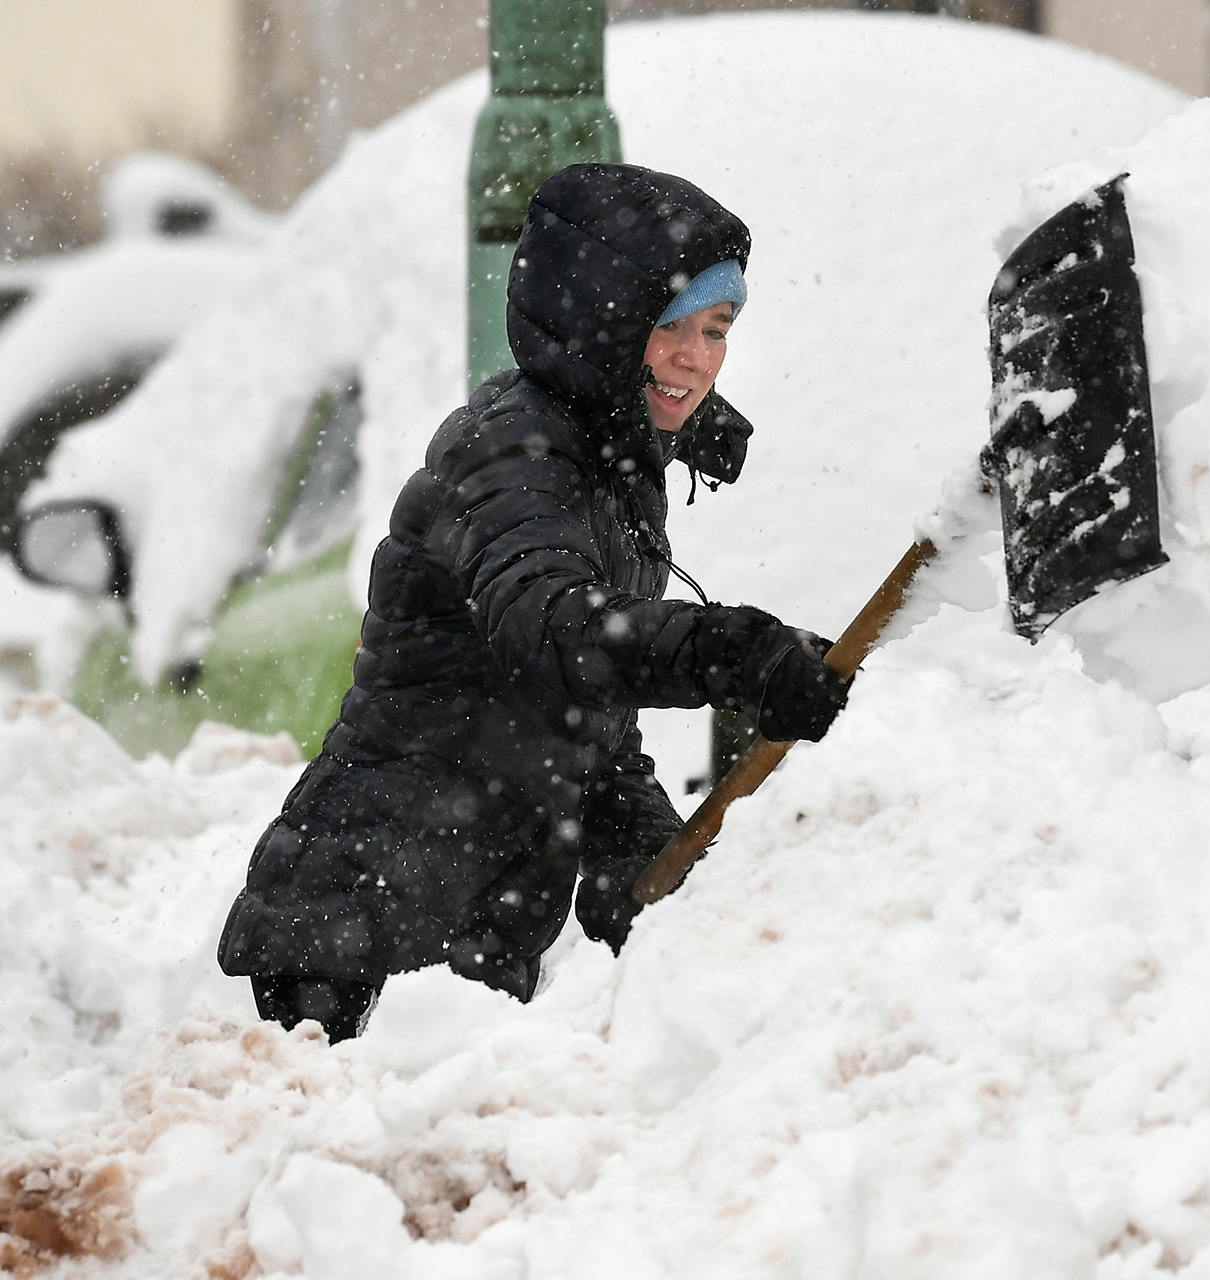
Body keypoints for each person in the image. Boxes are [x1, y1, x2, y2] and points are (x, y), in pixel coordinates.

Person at [218, 164, 851, 1041]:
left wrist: (647, 865)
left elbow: (579, 720)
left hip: (461, 934)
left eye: (716, 329)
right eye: (667, 326)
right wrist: (728, 652)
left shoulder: (607, 464)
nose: (696, 359)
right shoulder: (513, 453)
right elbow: (551, 632)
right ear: (601, 324)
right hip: (358, 939)